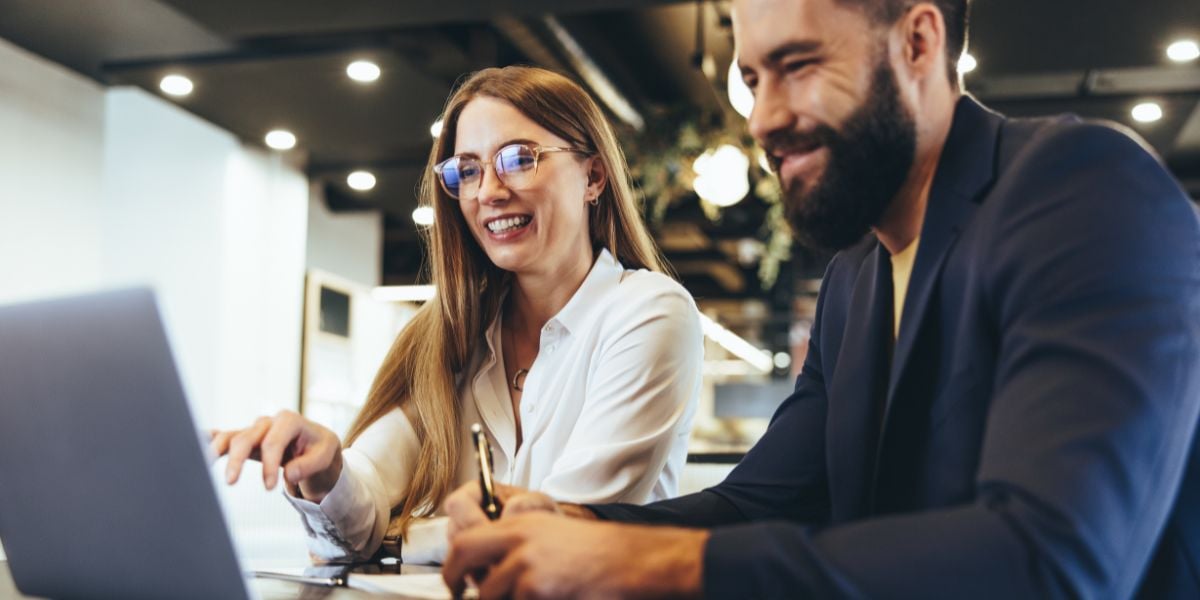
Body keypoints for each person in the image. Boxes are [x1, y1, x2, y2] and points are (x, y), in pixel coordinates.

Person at [440, 0, 1200, 597]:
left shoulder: (1085, 188)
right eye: (750, 80)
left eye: (796, 65)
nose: (764, 118)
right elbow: (764, 501)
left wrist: (646, 565)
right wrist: (570, 519)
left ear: (918, 43)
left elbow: (1050, 561)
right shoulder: (856, 274)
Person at [209, 66, 703, 564]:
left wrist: (398, 539)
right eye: (467, 170)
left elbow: (563, 528)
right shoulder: (452, 335)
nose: (488, 190)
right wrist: (327, 472)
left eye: (517, 159)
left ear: (593, 176)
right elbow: (364, 498)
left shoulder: (650, 313)